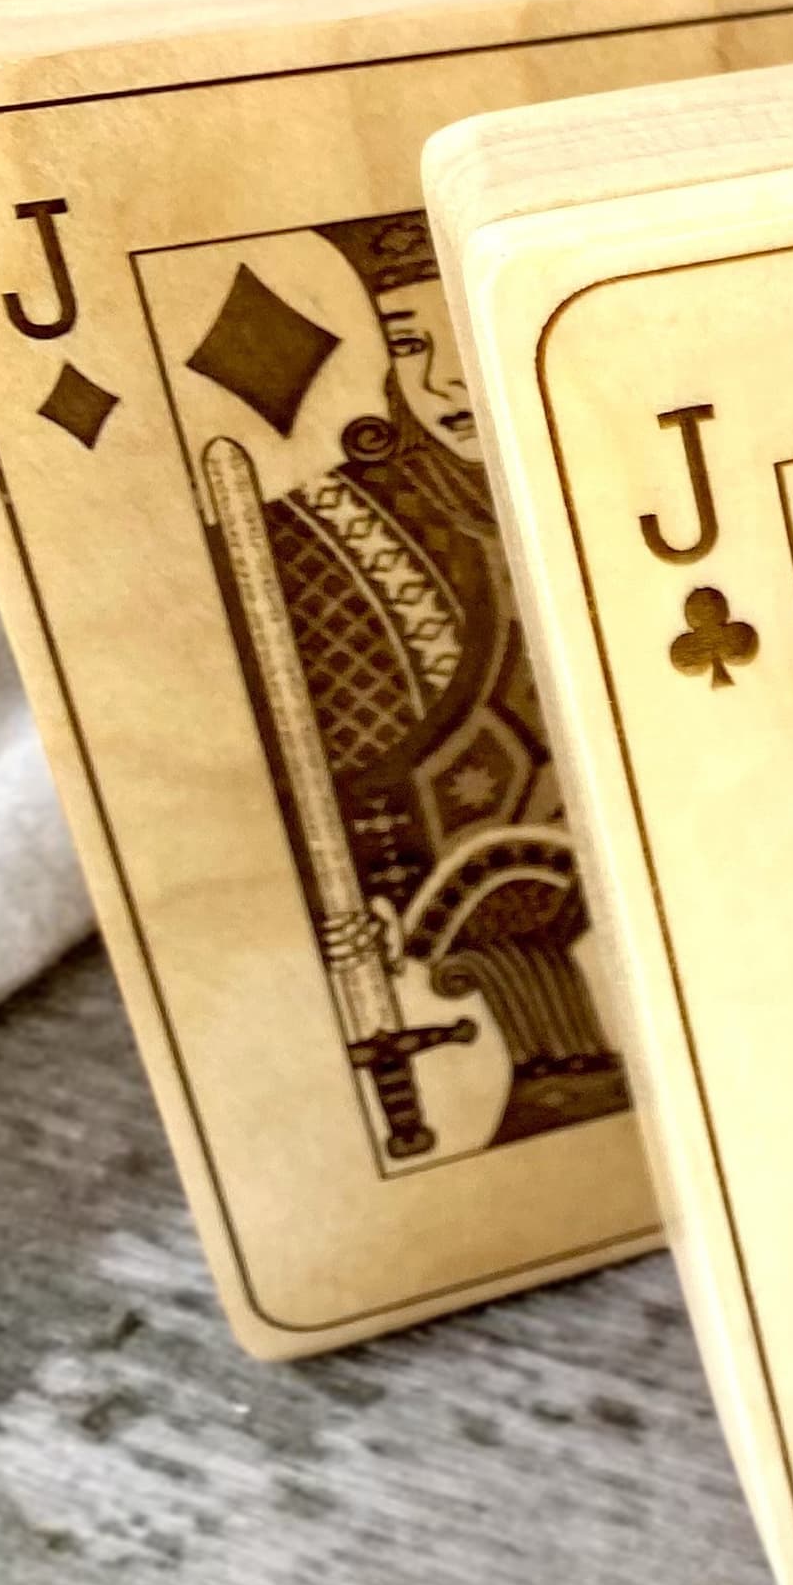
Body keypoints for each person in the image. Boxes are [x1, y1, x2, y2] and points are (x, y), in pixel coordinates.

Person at [226, 212, 616, 1150]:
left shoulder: (623, 475)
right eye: (408, 344)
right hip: (507, 987)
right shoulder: (334, 544)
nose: (445, 379)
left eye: (468, 328)